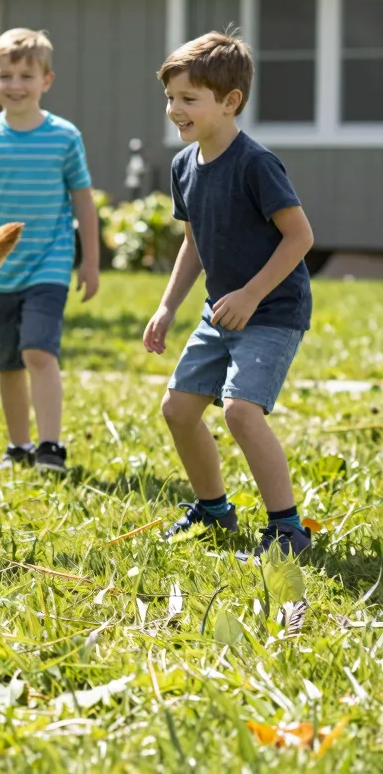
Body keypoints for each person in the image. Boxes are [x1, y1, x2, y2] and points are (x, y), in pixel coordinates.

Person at [144, 31, 315, 560]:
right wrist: (168, 306)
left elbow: (300, 237)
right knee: (177, 409)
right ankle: (214, 508)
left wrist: (249, 294)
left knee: (241, 412)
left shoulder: (255, 164)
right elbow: (194, 243)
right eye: (170, 97)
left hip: (271, 311)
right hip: (219, 311)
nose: (175, 109)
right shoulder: (184, 167)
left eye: (188, 99)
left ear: (229, 101)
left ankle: (287, 529)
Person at [0, 28, 100, 475]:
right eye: (6, 75)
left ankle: (51, 446)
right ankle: (19, 445)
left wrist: (89, 260)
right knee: (9, 361)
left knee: (38, 351)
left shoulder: (64, 136)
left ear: (46, 81)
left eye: (26, 75)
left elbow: (83, 202)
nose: (16, 85)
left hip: (48, 263)